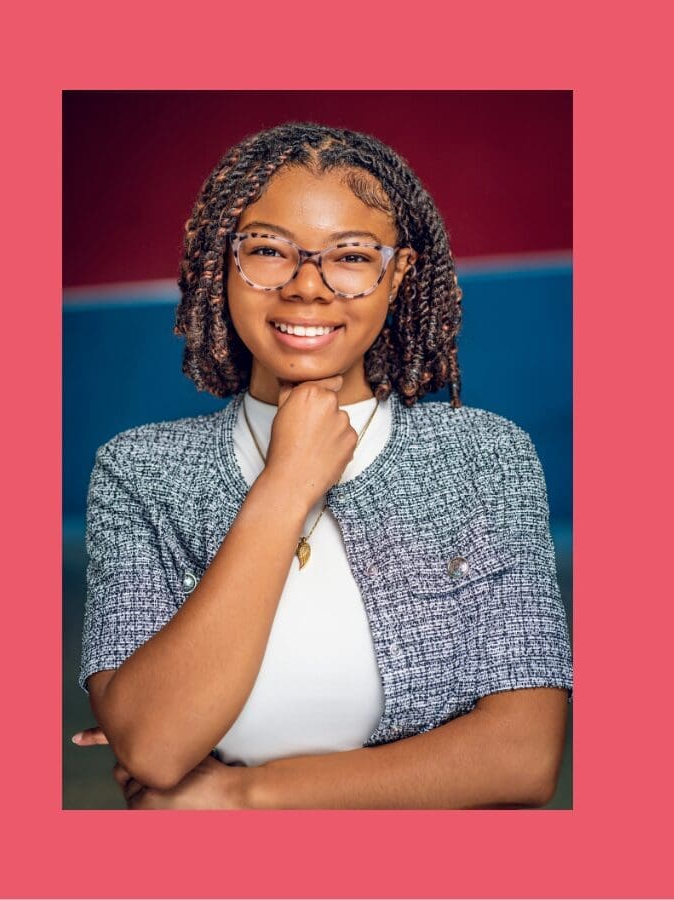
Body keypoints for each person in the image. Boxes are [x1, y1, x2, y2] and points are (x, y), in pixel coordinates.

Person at [72, 122, 572, 809]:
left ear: (397, 276)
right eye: (269, 250)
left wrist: (245, 797)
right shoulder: (140, 472)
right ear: (225, 265)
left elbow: (521, 755)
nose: (307, 287)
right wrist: (286, 486)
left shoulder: (487, 455)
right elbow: (157, 744)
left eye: (351, 257)